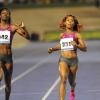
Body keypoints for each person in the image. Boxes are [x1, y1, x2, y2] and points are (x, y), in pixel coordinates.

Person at [48, 14, 87, 100]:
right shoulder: (62, 35)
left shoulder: (77, 35)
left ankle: (72, 89)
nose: (69, 22)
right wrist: (52, 49)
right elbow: (61, 45)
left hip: (73, 61)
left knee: (71, 82)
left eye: (72, 20)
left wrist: (77, 45)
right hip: (63, 59)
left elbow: (84, 48)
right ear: (65, 23)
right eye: (68, 20)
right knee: (63, 79)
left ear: (74, 23)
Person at [0, 8, 30, 100]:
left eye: (7, 13)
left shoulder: (13, 27)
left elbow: (27, 37)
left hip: (8, 58)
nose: (5, 14)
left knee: (8, 84)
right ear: (0, 15)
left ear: (9, 15)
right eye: (3, 13)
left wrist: (24, 28)